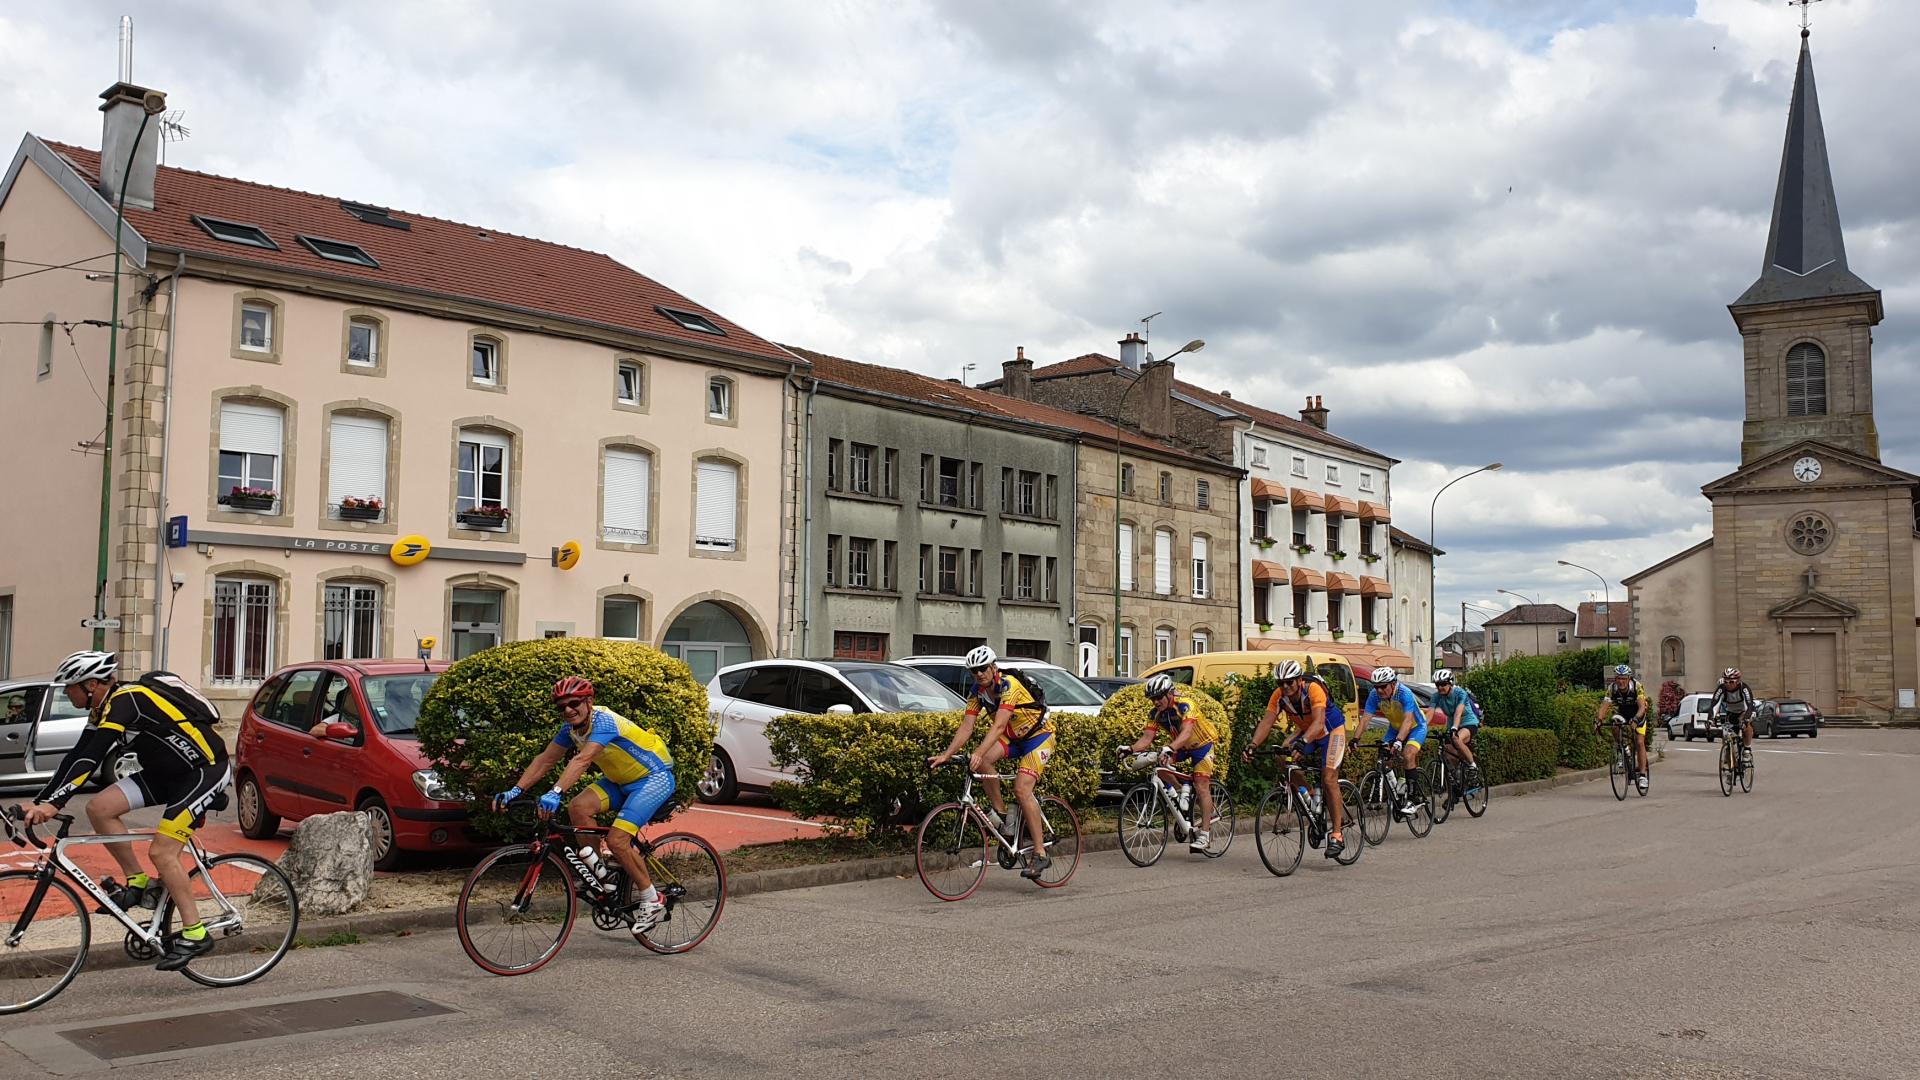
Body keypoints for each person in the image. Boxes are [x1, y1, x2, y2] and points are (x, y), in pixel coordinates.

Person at [22, 651, 231, 970]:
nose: (67, 693)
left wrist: (54, 805)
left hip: (203, 771)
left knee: (162, 853)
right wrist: (43, 801)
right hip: (165, 774)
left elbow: (92, 759)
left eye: (70, 687)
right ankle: (136, 882)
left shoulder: (127, 700)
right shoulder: (101, 710)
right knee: (99, 807)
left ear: (91, 684)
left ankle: (195, 932)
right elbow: (76, 757)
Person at [492, 677, 675, 937]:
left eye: (574, 703)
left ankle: (652, 898)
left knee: (618, 840)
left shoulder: (604, 722)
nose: (568, 710)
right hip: (620, 781)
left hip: (652, 778)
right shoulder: (571, 730)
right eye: (561, 707)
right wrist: (515, 790)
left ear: (589, 701)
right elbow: (545, 759)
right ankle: (604, 879)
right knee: (578, 808)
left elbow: (583, 759)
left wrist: (555, 791)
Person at [928, 646, 1054, 879]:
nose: (978, 674)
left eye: (983, 668)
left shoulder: (1009, 685)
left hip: (1038, 738)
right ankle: (1004, 817)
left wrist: (977, 751)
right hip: (1013, 737)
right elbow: (967, 726)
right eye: (973, 671)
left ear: (993, 667)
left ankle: (1040, 853)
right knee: (984, 762)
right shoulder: (977, 692)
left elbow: (997, 726)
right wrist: (946, 754)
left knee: (1022, 788)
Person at [1245, 660, 1349, 858]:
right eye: (1281, 683)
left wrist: (1303, 742)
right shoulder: (1279, 696)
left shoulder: (1314, 689)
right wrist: (1252, 745)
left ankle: (1337, 834)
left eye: (1289, 682)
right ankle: (1308, 793)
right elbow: (1267, 722)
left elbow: (1319, 722)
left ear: (1299, 680)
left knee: (1328, 778)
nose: (1285, 687)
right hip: (1308, 730)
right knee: (1281, 754)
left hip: (1330, 730)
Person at [1123, 673, 1219, 853]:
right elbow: (1147, 738)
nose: (1156, 702)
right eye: (1152, 699)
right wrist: (1130, 749)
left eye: (1159, 697)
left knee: (1201, 784)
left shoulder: (1185, 705)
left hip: (1202, 746)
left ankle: (1205, 835)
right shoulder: (1156, 713)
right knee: (1159, 767)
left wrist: (1170, 747)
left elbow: (1187, 732)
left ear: (1169, 693)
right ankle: (1180, 794)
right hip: (1180, 747)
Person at [1361, 667, 1428, 819]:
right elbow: (1365, 719)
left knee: (1408, 754)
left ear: (1393, 684)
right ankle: (1398, 794)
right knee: (1384, 758)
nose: (1379, 690)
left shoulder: (1404, 693)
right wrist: (1355, 739)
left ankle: (1412, 799)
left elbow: (1408, 720)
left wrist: (1399, 741)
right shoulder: (1374, 695)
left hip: (1416, 727)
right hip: (1395, 728)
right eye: (1376, 687)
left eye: (1383, 686)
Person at [1428, 668, 1482, 808]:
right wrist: (1421, 728)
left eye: (1443, 684)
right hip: (1452, 725)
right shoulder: (1436, 697)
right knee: (1448, 756)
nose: (1440, 687)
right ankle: (1454, 792)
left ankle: (1472, 766)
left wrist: (1454, 728)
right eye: (1437, 685)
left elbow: (1458, 713)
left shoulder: (1460, 693)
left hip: (1468, 723)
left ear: (1450, 683)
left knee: (1456, 739)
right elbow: (1429, 714)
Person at [1594, 663, 1650, 794]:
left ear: (1629, 678)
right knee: (1614, 723)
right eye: (1618, 678)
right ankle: (1622, 748)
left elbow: (1642, 707)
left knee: (1640, 742)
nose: (1621, 681)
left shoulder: (1637, 686)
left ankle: (1642, 775)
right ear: (1615, 679)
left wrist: (1636, 719)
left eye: (1624, 678)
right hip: (1623, 712)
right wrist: (1599, 720)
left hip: (1638, 713)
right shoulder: (1612, 688)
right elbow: (1605, 706)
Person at [1709, 667, 1756, 767]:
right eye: (1726, 682)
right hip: (1731, 713)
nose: (1728, 684)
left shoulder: (1744, 688)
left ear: (1737, 681)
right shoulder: (1721, 689)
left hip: (1745, 711)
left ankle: (1747, 750)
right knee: (1726, 735)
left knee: (1746, 724)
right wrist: (1710, 719)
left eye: (1731, 682)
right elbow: (1714, 705)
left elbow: (1749, 705)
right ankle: (1729, 759)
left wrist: (1746, 719)